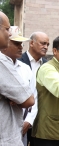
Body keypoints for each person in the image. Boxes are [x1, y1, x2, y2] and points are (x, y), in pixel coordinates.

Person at [0, 11, 34, 145]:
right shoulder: (2, 62)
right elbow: (28, 100)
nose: (9, 34)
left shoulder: (25, 68)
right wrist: (17, 97)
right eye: (7, 29)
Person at [18, 31, 49, 146]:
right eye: (43, 43)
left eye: (47, 44)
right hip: (20, 118)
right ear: (31, 43)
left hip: (41, 121)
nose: (45, 47)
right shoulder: (18, 61)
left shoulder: (47, 66)